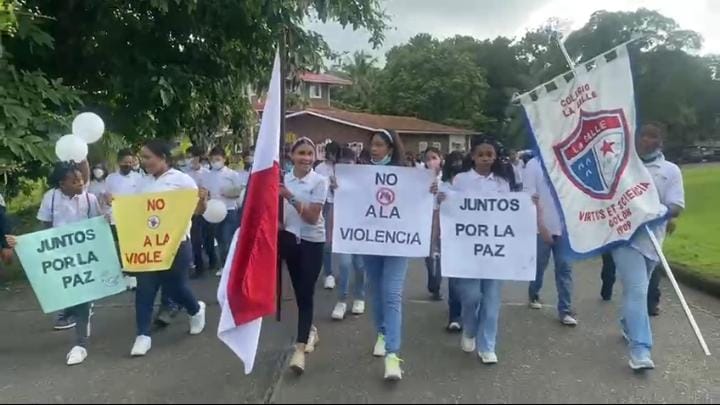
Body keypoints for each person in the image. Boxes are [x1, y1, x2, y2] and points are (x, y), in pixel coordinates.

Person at [6, 162, 103, 365]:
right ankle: (70, 312)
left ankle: (80, 344)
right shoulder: (50, 198)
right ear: (62, 184)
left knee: (82, 297)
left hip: (83, 256)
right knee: (67, 293)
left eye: (81, 180)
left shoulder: (90, 199)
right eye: (74, 181)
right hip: (60, 257)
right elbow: (45, 228)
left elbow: (98, 225)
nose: (80, 183)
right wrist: (24, 243)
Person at [608, 122, 685, 370]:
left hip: (653, 240)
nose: (647, 140)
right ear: (636, 137)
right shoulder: (622, 167)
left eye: (653, 136)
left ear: (660, 141)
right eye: (643, 135)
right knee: (638, 290)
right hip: (625, 239)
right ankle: (640, 350)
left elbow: (676, 206)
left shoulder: (670, 170)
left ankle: (627, 323)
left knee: (636, 291)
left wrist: (660, 212)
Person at [361, 129, 432, 382]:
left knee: (392, 294)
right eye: (373, 144)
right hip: (370, 242)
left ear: (390, 149)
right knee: (375, 291)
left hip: (397, 244)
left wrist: (431, 190)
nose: (375, 149)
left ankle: (393, 355)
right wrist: (340, 188)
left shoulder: (407, 175)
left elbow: (417, 202)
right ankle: (382, 332)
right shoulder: (360, 173)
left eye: (380, 145)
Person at [130, 140, 207, 357]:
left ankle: (195, 309)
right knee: (144, 289)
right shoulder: (142, 183)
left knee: (175, 287)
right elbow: (135, 210)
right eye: (142, 158)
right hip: (148, 244)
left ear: (162, 157)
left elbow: (198, 210)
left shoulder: (182, 181)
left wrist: (202, 201)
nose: (144, 162)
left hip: (176, 243)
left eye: (148, 157)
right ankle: (143, 335)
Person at [439, 136, 512, 366]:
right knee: (471, 297)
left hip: (494, 248)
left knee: (491, 300)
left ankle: (488, 345)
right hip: (467, 248)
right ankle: (470, 329)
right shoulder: (460, 180)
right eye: (481, 154)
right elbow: (446, 202)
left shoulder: (502, 182)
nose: (485, 158)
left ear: (495, 157)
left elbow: (511, 211)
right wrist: (442, 198)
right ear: (472, 157)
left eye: (489, 154)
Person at [280, 137, 329, 375]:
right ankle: (310, 330)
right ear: (292, 155)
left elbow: (311, 217)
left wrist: (289, 196)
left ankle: (299, 349)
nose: (306, 158)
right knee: (299, 291)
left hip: (312, 241)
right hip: (289, 240)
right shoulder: (283, 179)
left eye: (310, 153)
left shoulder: (319, 181)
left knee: (307, 290)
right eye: (301, 153)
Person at [524, 156, 578, 326]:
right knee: (539, 265)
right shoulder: (534, 164)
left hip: (565, 228)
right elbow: (529, 199)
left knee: (565, 267)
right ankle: (533, 292)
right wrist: (541, 226)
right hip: (541, 227)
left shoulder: (569, 161)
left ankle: (565, 310)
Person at [330, 147, 367, 321]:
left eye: (349, 162)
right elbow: (331, 206)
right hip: (343, 229)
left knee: (360, 265)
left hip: (362, 229)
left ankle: (359, 297)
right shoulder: (334, 181)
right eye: (343, 163)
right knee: (344, 264)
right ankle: (342, 300)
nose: (346, 165)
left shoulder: (365, 180)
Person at [106, 150, 143, 292]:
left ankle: (135, 274)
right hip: (116, 217)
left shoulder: (139, 178)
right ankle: (126, 274)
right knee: (121, 246)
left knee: (134, 246)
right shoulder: (111, 179)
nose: (127, 165)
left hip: (134, 218)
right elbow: (107, 197)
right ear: (119, 162)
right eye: (124, 162)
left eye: (130, 162)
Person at [437, 151, 466, 332]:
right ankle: (455, 316)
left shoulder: (471, 184)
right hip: (451, 236)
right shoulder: (443, 186)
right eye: (454, 162)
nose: (457, 165)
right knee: (454, 277)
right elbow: (435, 210)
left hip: (472, 236)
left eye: (460, 162)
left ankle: (469, 310)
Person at [204, 147, 243, 275]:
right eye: (212, 160)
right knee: (220, 240)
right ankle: (224, 265)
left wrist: (229, 192)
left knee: (227, 238)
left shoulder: (232, 174)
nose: (215, 162)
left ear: (224, 159)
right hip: (214, 212)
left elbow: (239, 191)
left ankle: (232, 266)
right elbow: (206, 192)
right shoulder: (208, 175)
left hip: (229, 210)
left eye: (218, 159)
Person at [184, 146, 218, 279]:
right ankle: (199, 267)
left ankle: (213, 259)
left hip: (207, 209)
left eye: (191, 157)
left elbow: (212, 191)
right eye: (187, 157)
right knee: (195, 240)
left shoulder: (207, 173)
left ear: (198, 158)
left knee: (208, 238)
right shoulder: (184, 175)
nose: (189, 160)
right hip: (192, 211)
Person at [315, 141, 340, 290]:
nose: (333, 156)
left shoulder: (343, 167)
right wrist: (328, 186)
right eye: (330, 153)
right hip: (326, 205)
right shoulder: (320, 168)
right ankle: (328, 273)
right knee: (327, 240)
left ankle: (341, 272)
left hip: (341, 206)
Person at [422, 147, 444, 301]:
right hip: (427, 215)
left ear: (440, 158)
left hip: (443, 216)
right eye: (428, 159)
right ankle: (432, 277)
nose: (431, 161)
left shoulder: (447, 177)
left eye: (434, 157)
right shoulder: (421, 177)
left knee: (442, 250)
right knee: (428, 251)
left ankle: (438, 283)